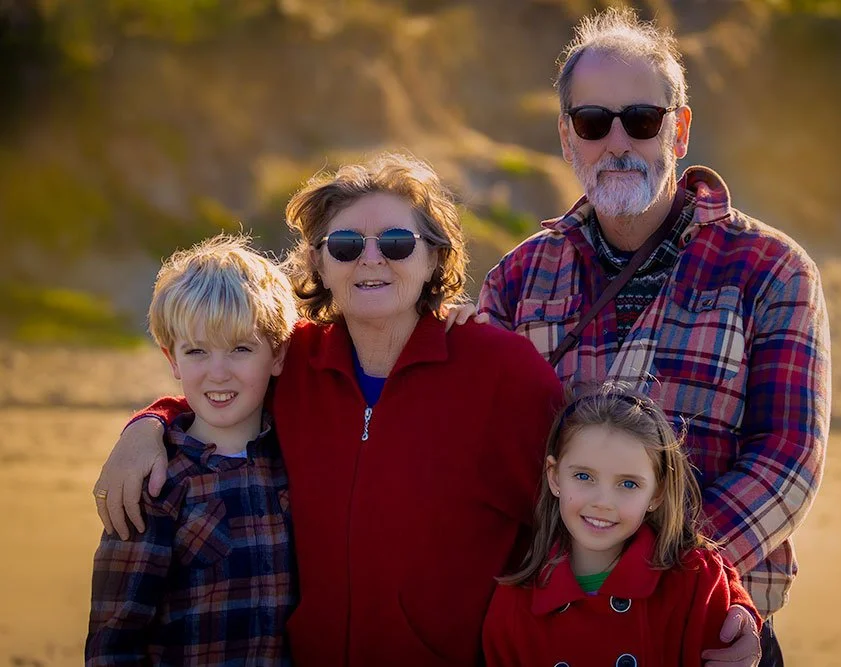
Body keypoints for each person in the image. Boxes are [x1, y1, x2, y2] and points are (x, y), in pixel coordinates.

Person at [93, 153, 565, 665]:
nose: (371, 259)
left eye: (396, 242)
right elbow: (220, 387)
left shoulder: (504, 374)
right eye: (345, 245)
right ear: (318, 262)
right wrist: (148, 425)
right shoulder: (294, 361)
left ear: (434, 257)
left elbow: (564, 531)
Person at [477, 9, 832, 666]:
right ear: (566, 136)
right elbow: (497, 460)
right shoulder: (516, 280)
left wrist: (670, 576)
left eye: (642, 120)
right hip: (556, 629)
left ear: (680, 129)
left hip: (712, 630)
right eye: (593, 122)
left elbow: (787, 459)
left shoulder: (772, 269)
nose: (617, 142)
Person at [86, 234, 298, 664]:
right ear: (173, 360)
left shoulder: (295, 459)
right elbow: (114, 643)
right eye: (197, 351)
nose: (218, 373)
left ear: (277, 354)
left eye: (240, 348)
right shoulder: (155, 485)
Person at [483, 384, 762, 666]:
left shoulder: (696, 584)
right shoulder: (514, 606)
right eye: (583, 476)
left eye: (628, 484)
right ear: (554, 477)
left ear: (657, 494)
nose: (603, 502)